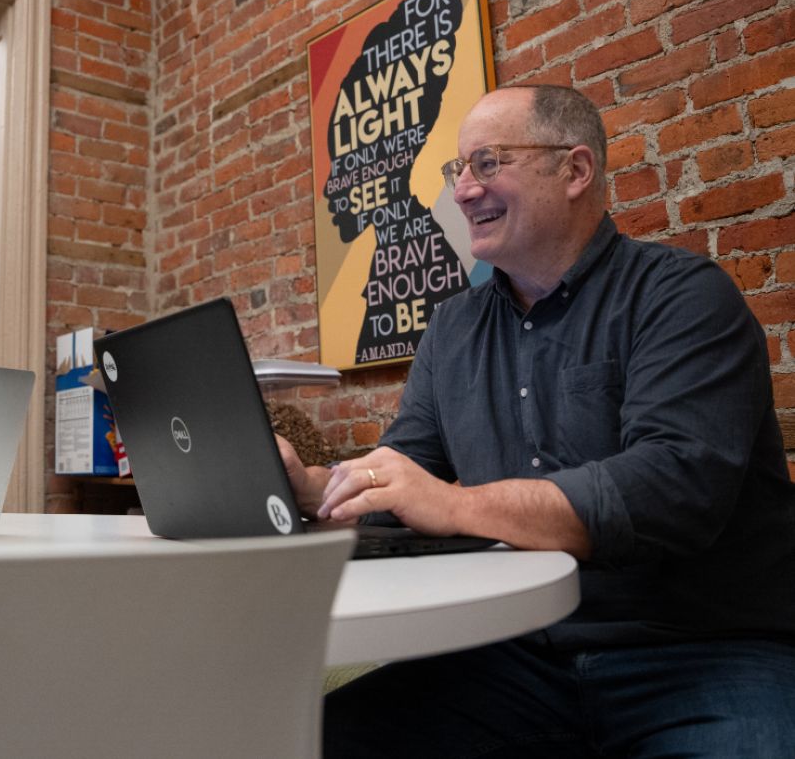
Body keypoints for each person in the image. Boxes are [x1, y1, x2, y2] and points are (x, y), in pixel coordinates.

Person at [279, 85, 795, 756]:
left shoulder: (682, 296)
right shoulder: (452, 328)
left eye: (488, 162)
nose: (463, 191)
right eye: (457, 169)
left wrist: (452, 504)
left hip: (700, 649)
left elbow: (671, 489)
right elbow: (404, 473)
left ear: (575, 170)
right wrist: (315, 488)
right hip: (515, 655)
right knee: (309, 738)